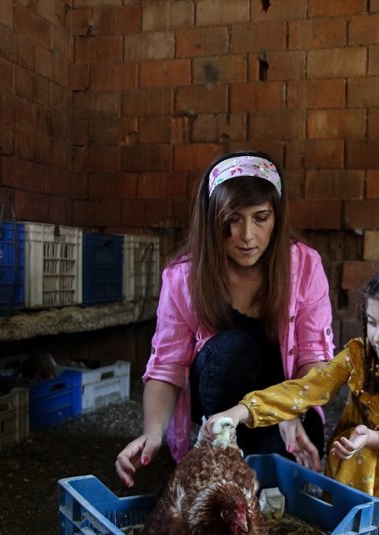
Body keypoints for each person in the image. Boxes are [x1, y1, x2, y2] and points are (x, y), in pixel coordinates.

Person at [201, 257, 379, 535]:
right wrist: (239, 412)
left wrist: (376, 436)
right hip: (362, 444)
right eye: (371, 322)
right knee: (352, 454)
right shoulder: (358, 357)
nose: (377, 337)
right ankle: (366, 514)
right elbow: (304, 390)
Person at [115, 150, 335, 488]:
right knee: (233, 349)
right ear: (212, 218)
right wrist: (152, 432)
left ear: (276, 217)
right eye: (232, 219)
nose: (247, 235)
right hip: (222, 407)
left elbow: (315, 360)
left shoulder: (304, 265)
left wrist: (292, 410)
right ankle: (217, 450)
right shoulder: (184, 276)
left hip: (286, 412)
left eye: (260, 218)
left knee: (277, 484)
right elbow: (167, 365)